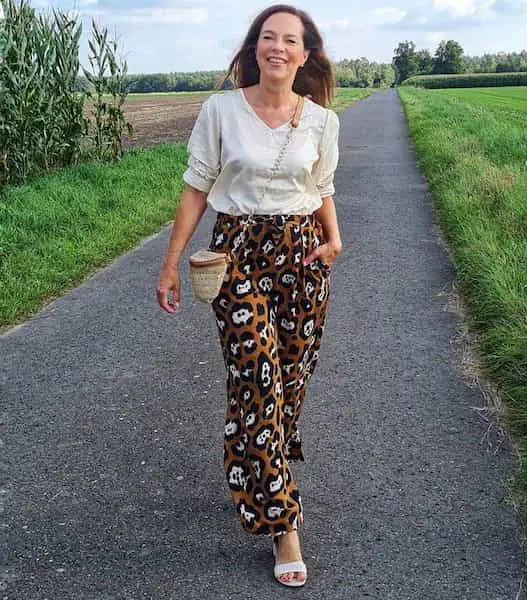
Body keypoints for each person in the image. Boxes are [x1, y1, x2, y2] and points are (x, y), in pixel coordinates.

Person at [156, 3, 341, 588]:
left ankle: (264, 459)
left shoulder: (322, 122)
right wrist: (169, 265)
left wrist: (334, 239)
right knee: (256, 378)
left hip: (303, 256)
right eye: (268, 37)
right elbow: (196, 188)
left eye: (290, 39)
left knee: (289, 381)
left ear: (305, 54)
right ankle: (284, 522)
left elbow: (321, 187)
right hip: (237, 254)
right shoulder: (220, 111)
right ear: (254, 48)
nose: (278, 47)